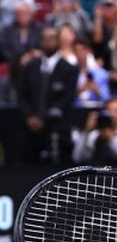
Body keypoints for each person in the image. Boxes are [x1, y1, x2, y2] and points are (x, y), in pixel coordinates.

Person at [18, 26, 79, 163]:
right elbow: (22, 96)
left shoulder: (69, 69)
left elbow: (66, 100)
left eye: (52, 38)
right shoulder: (29, 67)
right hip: (30, 130)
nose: (49, 42)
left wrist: (43, 120)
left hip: (58, 130)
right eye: (45, 38)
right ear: (40, 41)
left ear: (59, 41)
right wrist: (29, 117)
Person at [72, 97, 117, 166]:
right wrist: (86, 132)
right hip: (97, 177)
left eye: (116, 111)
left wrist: (111, 141)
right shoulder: (96, 135)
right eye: (109, 110)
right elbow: (78, 158)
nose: (112, 114)